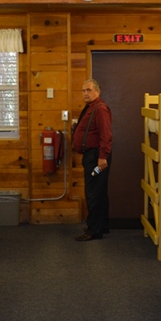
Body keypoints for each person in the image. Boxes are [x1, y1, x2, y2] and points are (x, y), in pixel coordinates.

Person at [72, 78, 112, 241]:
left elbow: (106, 135)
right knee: (99, 191)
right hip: (92, 156)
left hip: (97, 157)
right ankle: (101, 225)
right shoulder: (91, 107)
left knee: (93, 192)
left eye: (88, 90)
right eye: (83, 90)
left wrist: (102, 157)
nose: (85, 93)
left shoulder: (100, 109)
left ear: (97, 91)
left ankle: (94, 230)